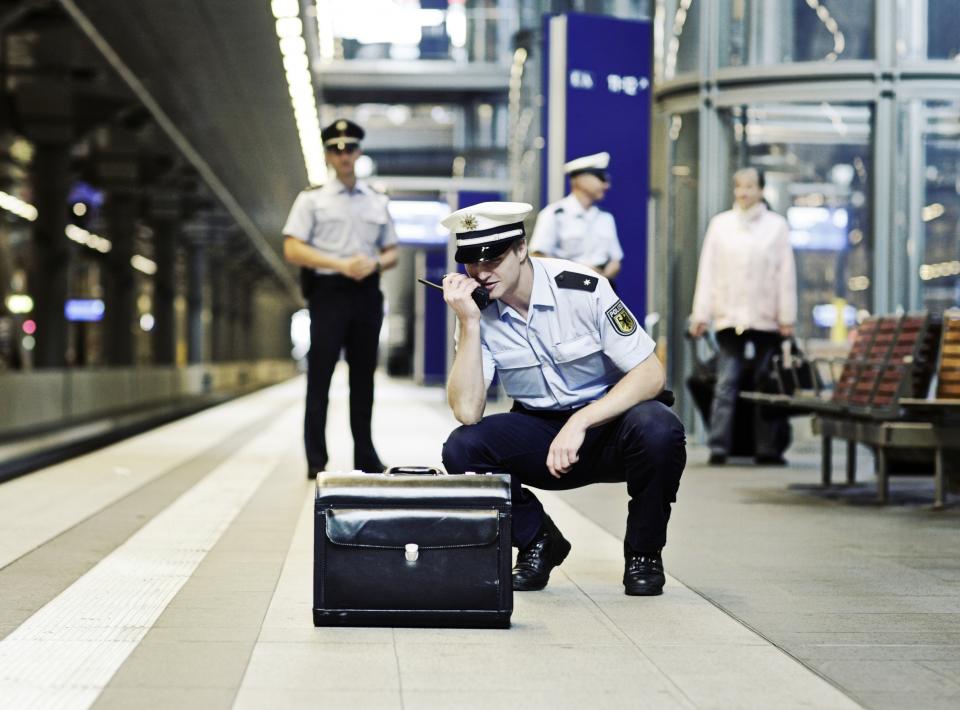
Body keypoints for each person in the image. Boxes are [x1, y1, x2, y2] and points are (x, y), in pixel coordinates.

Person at [439, 201, 686, 596]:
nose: (482, 273)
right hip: (539, 433)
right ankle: (538, 540)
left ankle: (644, 553)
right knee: (462, 448)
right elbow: (467, 411)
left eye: (494, 259)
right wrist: (468, 322)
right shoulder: (476, 313)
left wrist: (582, 420)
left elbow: (650, 373)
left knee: (660, 428)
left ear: (521, 249)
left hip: (608, 428)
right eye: (471, 262)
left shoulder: (582, 288)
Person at [282, 118, 398, 478]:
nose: (343, 154)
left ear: (358, 152)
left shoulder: (377, 199)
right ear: (328, 155)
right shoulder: (311, 199)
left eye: (349, 148)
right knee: (320, 377)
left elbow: (392, 250)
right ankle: (316, 460)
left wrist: (375, 263)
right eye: (336, 149)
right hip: (329, 293)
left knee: (364, 378)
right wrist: (340, 264)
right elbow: (292, 248)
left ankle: (365, 455)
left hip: (366, 292)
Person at [688, 167, 797, 466]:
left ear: (761, 190)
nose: (744, 192)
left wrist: (786, 317)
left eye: (750, 186)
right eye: (739, 186)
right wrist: (701, 315)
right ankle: (720, 446)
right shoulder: (720, 225)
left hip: (766, 319)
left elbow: (785, 275)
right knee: (726, 382)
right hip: (729, 318)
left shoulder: (777, 226)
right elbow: (708, 272)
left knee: (766, 385)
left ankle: (767, 448)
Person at [529, 152, 624, 281]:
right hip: (565, 289)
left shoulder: (605, 218)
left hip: (602, 287)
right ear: (581, 179)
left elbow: (615, 260)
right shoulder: (554, 215)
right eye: (601, 178)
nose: (606, 185)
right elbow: (537, 255)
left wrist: (602, 278)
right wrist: (577, 273)